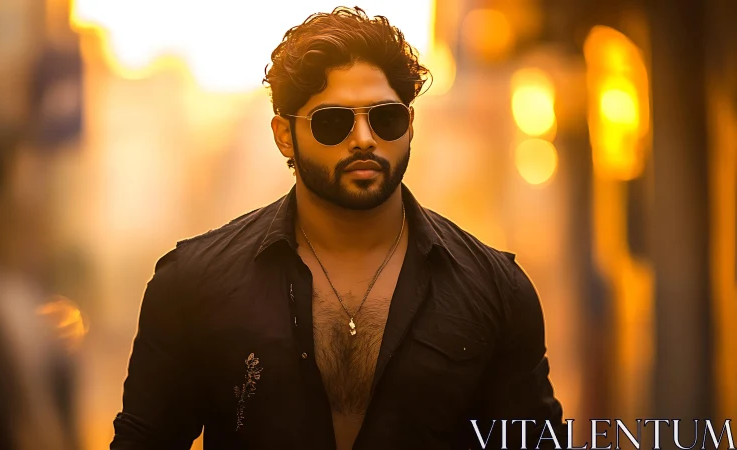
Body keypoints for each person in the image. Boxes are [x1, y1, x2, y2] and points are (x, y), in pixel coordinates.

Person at [112, 6, 564, 450]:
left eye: (385, 117)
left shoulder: (496, 291)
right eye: (333, 122)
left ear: (409, 125)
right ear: (284, 135)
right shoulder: (193, 286)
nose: (364, 138)